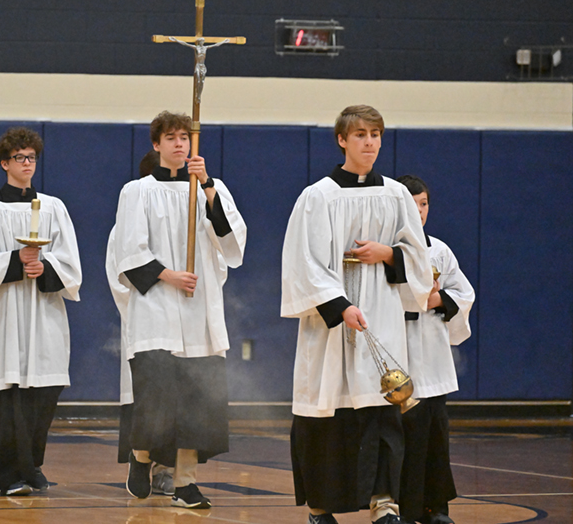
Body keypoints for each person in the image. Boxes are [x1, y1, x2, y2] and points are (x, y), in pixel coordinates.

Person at [281, 105, 433, 524]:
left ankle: (384, 503)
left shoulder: (396, 195)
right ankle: (320, 508)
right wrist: (339, 306)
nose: (369, 143)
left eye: (375, 135)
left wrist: (388, 253)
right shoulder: (317, 197)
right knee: (327, 413)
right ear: (342, 140)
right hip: (330, 323)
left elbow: (420, 260)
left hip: (381, 315)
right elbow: (302, 263)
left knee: (381, 411)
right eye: (360, 135)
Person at [111, 111, 246, 509]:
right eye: (170, 138)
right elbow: (129, 250)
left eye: (185, 138)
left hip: (198, 312)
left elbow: (232, 243)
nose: (179, 144)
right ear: (157, 145)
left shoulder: (209, 188)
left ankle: (186, 483)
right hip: (156, 309)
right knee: (156, 400)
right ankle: (141, 456)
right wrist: (168, 275)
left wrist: (208, 187)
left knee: (197, 403)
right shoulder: (137, 191)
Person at [0, 127, 81, 496]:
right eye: (19, 158)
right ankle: (8, 473)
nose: (27, 164)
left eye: (32, 158)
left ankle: (32, 466)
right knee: (5, 397)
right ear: (4, 163)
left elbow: (71, 265)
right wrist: (16, 260)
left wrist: (45, 267)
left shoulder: (54, 208)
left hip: (43, 314)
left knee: (41, 396)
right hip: (3, 317)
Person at [395, 175, 475, 524]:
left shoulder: (439, 250)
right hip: (398, 360)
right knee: (401, 441)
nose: (419, 211)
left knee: (435, 439)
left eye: (424, 203)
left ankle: (436, 508)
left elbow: (464, 293)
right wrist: (416, 298)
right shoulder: (386, 253)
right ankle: (397, 509)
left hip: (433, 360)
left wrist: (438, 298)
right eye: (412, 204)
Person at [108, 149, 174, 497]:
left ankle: (170, 470)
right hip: (148, 322)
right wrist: (157, 302)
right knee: (149, 399)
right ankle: (142, 459)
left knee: (183, 400)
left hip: (187, 325)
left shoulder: (192, 217)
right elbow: (120, 280)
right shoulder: (125, 226)